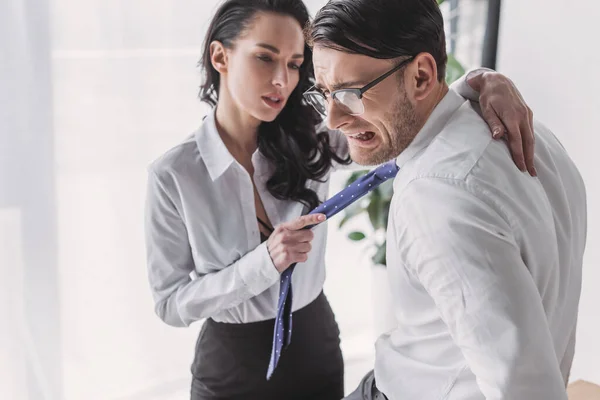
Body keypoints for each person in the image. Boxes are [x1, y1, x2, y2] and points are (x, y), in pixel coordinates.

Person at [144, 0, 538, 399]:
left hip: (314, 343)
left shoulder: (315, 134)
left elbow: (402, 118)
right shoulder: (174, 175)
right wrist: (265, 263)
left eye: (296, 64)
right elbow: (171, 304)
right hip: (230, 362)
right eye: (266, 58)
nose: (283, 79)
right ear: (220, 55)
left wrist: (481, 81)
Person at [306, 0, 587, 399]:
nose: (331, 119)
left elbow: (525, 390)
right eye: (324, 93)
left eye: (350, 93)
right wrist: (482, 78)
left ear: (421, 75)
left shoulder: (436, 199)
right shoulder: (528, 130)